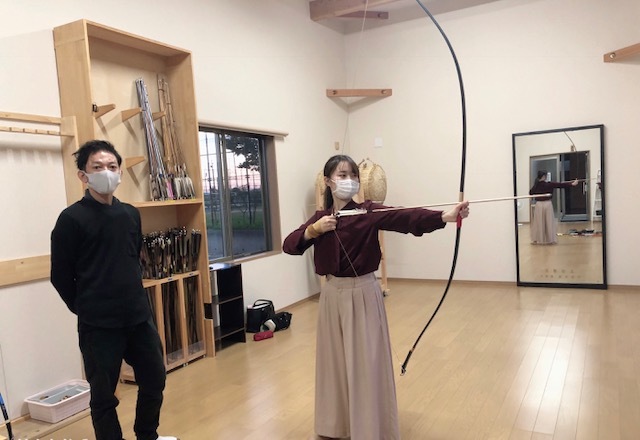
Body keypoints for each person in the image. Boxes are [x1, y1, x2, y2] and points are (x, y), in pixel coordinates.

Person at [282, 154, 470, 440]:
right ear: (328, 181)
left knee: (365, 363)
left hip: (363, 293)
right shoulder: (320, 219)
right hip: (331, 295)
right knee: (334, 363)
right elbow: (289, 245)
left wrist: (445, 216)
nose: (349, 180)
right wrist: (312, 231)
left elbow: (404, 216)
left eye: (352, 175)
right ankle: (336, 425)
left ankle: (369, 429)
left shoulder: (367, 212)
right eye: (342, 175)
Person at [50, 140, 178, 440]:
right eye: (97, 167)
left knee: (155, 379)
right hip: (98, 325)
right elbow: (60, 276)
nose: (106, 172)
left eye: (111, 166)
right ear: (83, 175)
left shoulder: (130, 214)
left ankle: (147, 435)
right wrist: (85, 307)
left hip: (138, 316)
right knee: (104, 396)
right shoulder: (71, 219)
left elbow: (133, 258)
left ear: (120, 172)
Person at [529, 170, 579, 244]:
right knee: (549, 222)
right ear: (544, 176)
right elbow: (560, 185)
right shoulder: (549, 184)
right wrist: (572, 184)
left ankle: (538, 239)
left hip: (539, 205)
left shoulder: (536, 185)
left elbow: (531, 192)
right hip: (547, 204)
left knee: (539, 222)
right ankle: (550, 239)